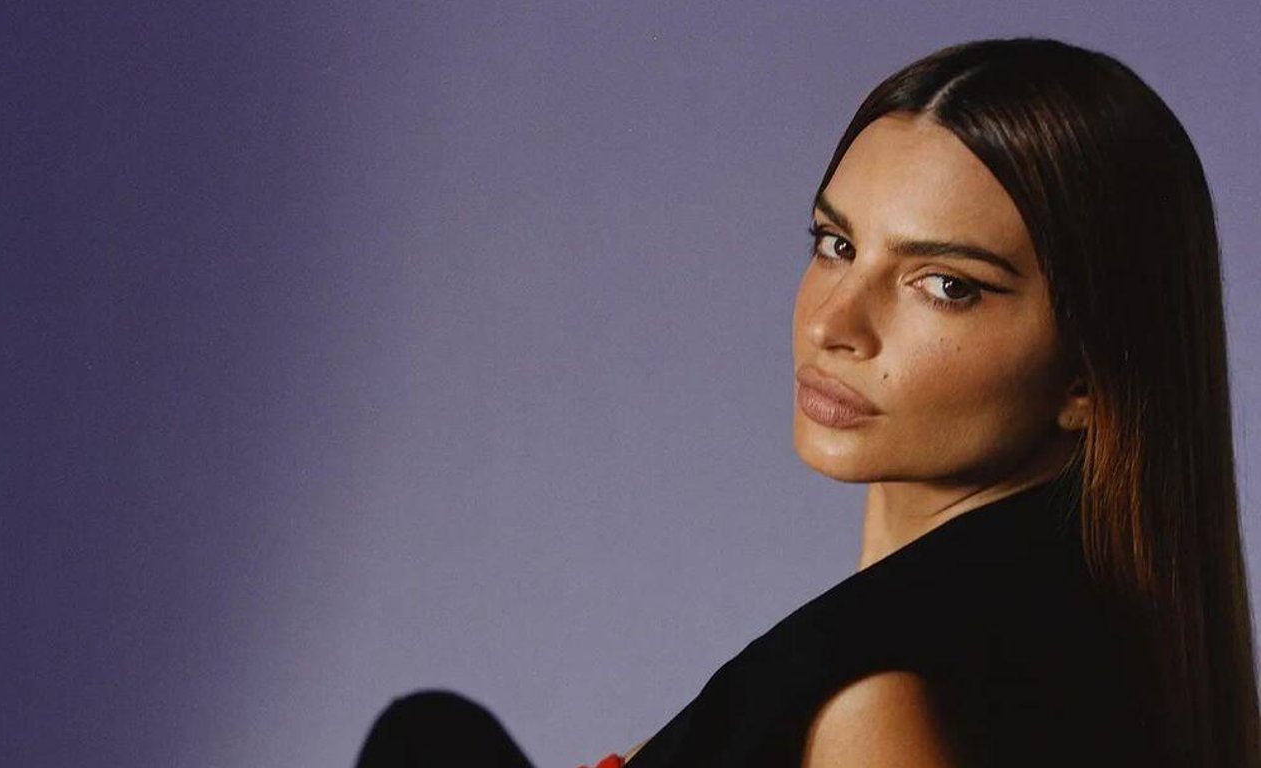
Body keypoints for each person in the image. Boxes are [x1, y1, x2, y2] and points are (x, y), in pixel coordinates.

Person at [355, 36, 1261, 768]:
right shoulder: (1096, 616)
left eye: (945, 285)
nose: (833, 323)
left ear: (1089, 378)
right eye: (836, 244)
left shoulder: (876, 698)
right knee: (431, 735)